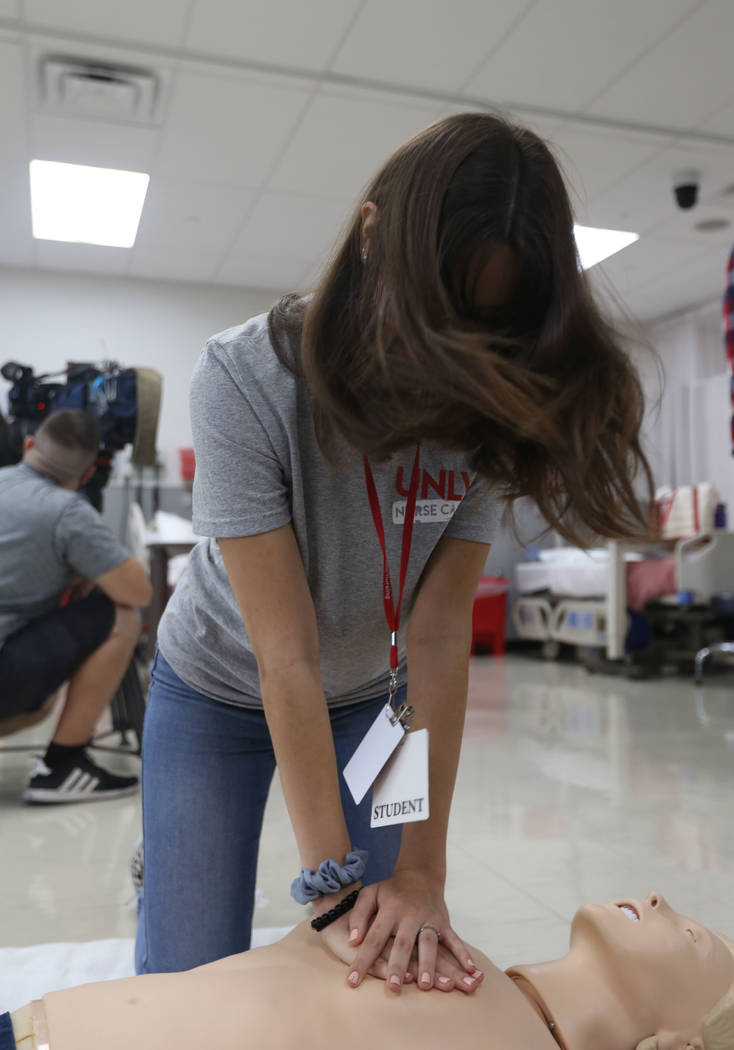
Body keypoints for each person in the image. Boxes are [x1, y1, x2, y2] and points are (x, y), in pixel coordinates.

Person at [136, 111, 654, 989]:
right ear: (371, 235)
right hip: (218, 687)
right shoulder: (243, 378)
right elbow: (286, 657)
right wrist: (329, 884)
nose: (444, 371)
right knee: (189, 966)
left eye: (483, 338)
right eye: (432, 322)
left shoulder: (485, 400)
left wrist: (424, 871)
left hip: (374, 707)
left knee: (385, 950)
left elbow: (443, 641)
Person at [5, 892, 734, 1050]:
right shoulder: (442, 949)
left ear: (682, 1042)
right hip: (44, 1026)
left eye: (692, 935)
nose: (666, 903)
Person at [0, 410, 152, 802]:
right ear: (86, 476)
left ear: (28, 444)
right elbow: (138, 592)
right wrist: (87, 570)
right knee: (120, 615)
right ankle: (61, 766)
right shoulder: (67, 512)